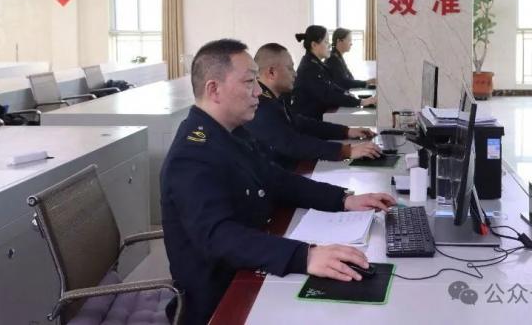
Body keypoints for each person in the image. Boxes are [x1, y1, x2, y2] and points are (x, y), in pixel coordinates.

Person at [160, 39, 395, 324]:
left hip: (251, 267)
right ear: (214, 89)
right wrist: (304, 257)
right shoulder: (192, 156)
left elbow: (277, 179)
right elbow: (220, 236)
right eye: (249, 81)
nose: (259, 91)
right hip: (220, 298)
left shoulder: (232, 133)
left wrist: (344, 199)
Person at [246, 42, 381, 169]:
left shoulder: (274, 98)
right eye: (290, 68)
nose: (295, 73)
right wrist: (347, 151)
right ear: (271, 72)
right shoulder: (261, 106)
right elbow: (293, 143)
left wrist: (346, 131)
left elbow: (300, 123)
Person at [292, 25, 376, 120]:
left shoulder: (316, 64)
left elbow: (331, 86)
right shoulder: (309, 68)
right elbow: (328, 94)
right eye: (326, 41)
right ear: (314, 45)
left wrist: (346, 93)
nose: (330, 45)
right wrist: (361, 102)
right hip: (310, 121)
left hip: (318, 117)